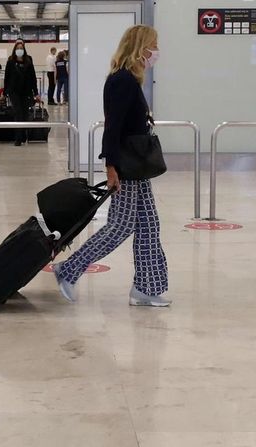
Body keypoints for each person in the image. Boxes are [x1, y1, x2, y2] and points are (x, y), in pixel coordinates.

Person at [53, 25, 169, 306]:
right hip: (127, 166)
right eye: (153, 45)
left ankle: (146, 287)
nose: (156, 52)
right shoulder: (123, 81)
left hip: (137, 166)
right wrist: (111, 166)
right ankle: (68, 269)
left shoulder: (129, 79)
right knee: (120, 226)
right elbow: (113, 127)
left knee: (149, 225)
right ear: (140, 48)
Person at [3, 40, 40, 146]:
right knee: (18, 112)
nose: (19, 50)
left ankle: (23, 135)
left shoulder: (28, 61)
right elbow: (7, 78)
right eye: (18, 48)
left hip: (26, 91)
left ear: (24, 49)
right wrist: (4, 93)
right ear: (15, 49)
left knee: (25, 113)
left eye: (21, 48)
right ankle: (18, 138)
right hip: (14, 91)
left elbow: (33, 77)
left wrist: (36, 93)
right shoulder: (10, 61)